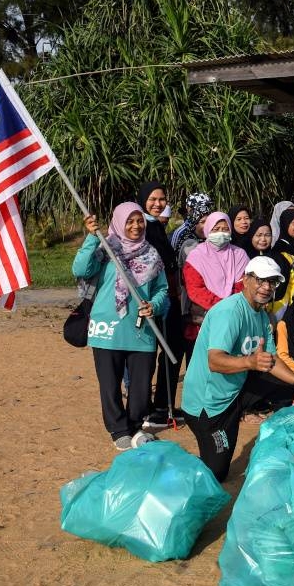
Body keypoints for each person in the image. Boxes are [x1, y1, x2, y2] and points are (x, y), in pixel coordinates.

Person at [180, 256, 294, 481]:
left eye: (272, 282)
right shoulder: (230, 311)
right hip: (208, 404)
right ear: (246, 280)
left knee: (292, 391)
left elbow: (271, 358)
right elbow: (214, 361)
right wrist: (250, 362)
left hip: (237, 388)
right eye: (261, 280)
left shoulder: (261, 314)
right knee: (217, 473)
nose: (266, 287)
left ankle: (284, 447)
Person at [74, 203, 168, 450]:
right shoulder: (106, 249)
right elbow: (80, 268)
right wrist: (93, 238)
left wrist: (154, 305)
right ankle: (118, 429)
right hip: (107, 328)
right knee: (109, 384)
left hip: (141, 329)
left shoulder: (152, 254)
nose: (136, 226)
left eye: (139, 221)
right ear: (118, 222)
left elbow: (162, 290)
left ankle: (136, 426)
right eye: (130, 221)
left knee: (141, 384)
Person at [137, 181, 184, 428]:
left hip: (169, 300)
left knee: (171, 353)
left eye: (162, 199)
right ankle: (145, 410)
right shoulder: (141, 226)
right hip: (151, 300)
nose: (158, 204)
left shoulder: (157, 226)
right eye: (153, 199)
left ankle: (163, 406)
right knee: (147, 355)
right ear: (143, 199)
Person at [181, 212, 250, 345]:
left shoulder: (240, 255)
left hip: (235, 318)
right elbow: (195, 289)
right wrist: (221, 307)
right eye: (216, 229)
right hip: (203, 320)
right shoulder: (196, 257)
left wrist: (230, 308)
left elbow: (244, 284)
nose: (221, 233)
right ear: (207, 230)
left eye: (225, 229)